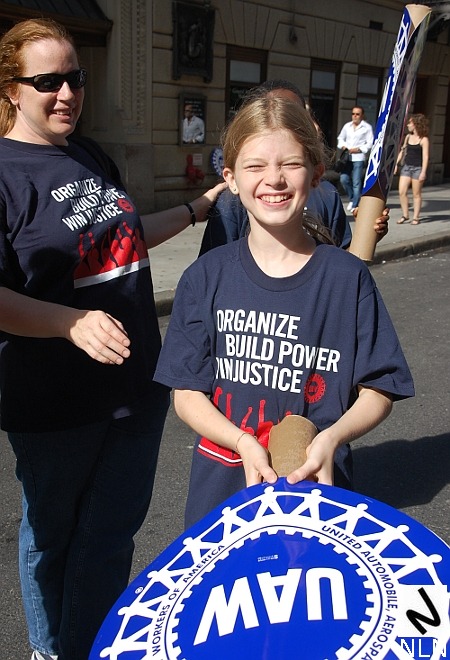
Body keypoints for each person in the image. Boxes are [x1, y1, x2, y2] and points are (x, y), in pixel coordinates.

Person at [0, 18, 224, 660]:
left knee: (110, 535)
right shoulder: (6, 173)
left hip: (135, 383)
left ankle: (89, 645)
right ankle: (50, 648)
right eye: (48, 82)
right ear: (12, 89)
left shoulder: (89, 154)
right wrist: (67, 322)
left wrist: (196, 209)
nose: (67, 93)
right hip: (54, 399)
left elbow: (123, 237)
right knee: (53, 537)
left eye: (74, 77)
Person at [154, 94, 414, 530]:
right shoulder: (204, 276)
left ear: (316, 174)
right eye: (255, 166)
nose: (273, 179)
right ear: (231, 178)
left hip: (320, 502)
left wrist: (332, 437)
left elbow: (379, 388)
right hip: (222, 502)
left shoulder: (346, 278)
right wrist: (241, 441)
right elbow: (186, 393)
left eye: (290, 164)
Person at [199, 82, 386, 256]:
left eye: (293, 116)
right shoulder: (232, 203)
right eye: (255, 166)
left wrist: (366, 237)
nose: (274, 179)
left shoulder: (327, 194)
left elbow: (343, 261)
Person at [337, 105, 374, 212]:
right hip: (347, 157)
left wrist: (358, 149)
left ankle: (355, 204)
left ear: (362, 115)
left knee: (356, 182)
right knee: (343, 179)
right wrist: (344, 146)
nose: (355, 116)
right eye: (353, 114)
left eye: (357, 114)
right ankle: (353, 198)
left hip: (358, 157)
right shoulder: (347, 126)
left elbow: (370, 143)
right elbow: (340, 138)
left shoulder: (366, 127)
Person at [395, 113, 430, 225]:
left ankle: (416, 217)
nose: (408, 125)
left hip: (417, 168)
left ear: (416, 124)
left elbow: (425, 157)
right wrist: (396, 164)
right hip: (406, 167)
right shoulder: (408, 137)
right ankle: (405, 215)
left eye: (410, 123)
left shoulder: (424, 140)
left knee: (416, 194)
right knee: (402, 191)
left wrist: (423, 172)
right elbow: (402, 150)